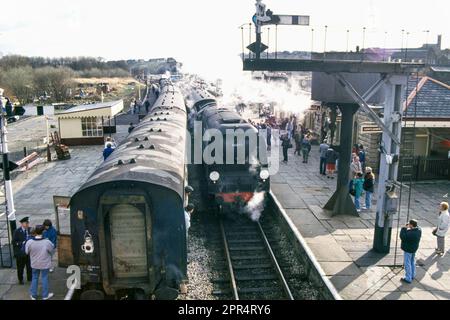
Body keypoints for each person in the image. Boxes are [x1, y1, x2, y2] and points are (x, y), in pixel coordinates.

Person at [25, 225, 55, 300]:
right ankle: (45, 295)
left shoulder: (30, 242)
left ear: (35, 232)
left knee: (34, 278)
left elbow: (26, 252)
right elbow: (52, 251)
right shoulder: (47, 242)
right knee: (44, 278)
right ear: (43, 232)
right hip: (44, 264)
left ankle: (33, 295)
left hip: (34, 263)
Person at [400, 220, 422, 284]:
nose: (408, 225)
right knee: (412, 261)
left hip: (408, 249)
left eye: (409, 224)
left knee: (407, 263)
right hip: (414, 249)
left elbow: (402, 236)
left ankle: (408, 278)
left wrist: (404, 228)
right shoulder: (419, 230)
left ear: (412, 225)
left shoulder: (411, 233)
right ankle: (413, 274)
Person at [12, 217, 32, 284]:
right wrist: (22, 243)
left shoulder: (30, 230)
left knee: (29, 267)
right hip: (20, 253)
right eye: (26, 223)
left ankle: (30, 278)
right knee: (20, 268)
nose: (27, 224)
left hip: (28, 253)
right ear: (22, 224)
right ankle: (20, 279)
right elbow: (14, 242)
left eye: (28, 223)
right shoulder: (17, 231)